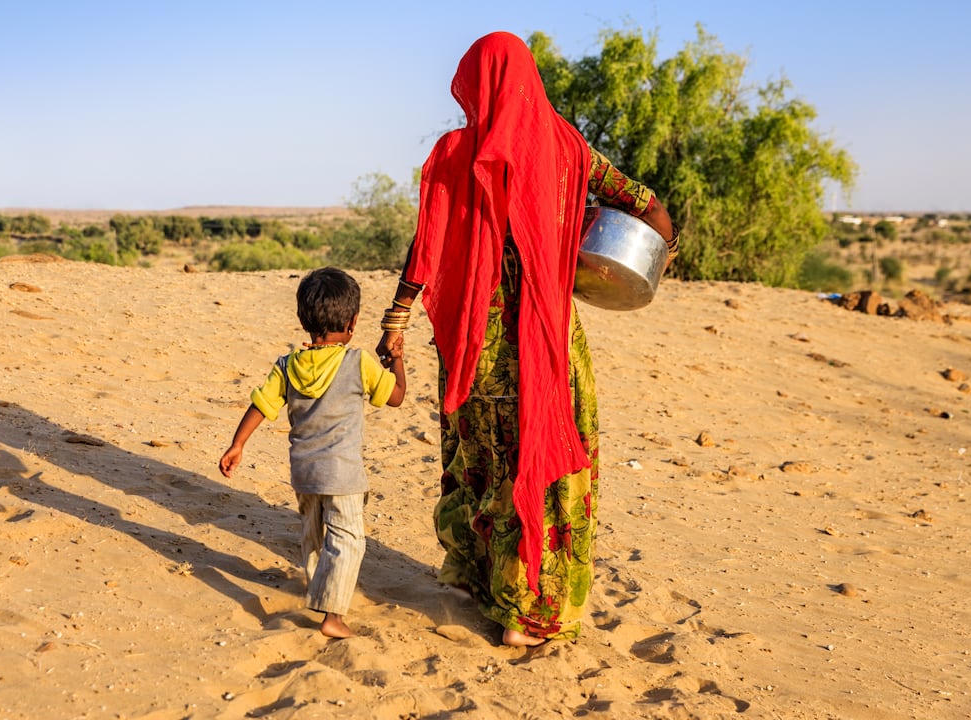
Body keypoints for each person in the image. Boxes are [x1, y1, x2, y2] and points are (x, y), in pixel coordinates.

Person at [375, 31, 679, 647]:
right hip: (546, 342)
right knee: (547, 465)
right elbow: (650, 210)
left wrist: (397, 320)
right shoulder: (568, 148)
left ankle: (469, 576)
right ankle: (531, 614)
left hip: (473, 346)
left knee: (480, 459)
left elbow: (425, 249)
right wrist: (646, 261)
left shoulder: (454, 152)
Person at [220, 266, 407, 639]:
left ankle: (316, 589)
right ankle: (332, 615)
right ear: (353, 322)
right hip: (344, 475)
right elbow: (397, 396)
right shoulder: (358, 362)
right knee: (347, 539)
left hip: (304, 473)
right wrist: (396, 360)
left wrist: (237, 444)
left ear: (303, 319)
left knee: (314, 536)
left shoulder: (288, 366)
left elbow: (261, 405)